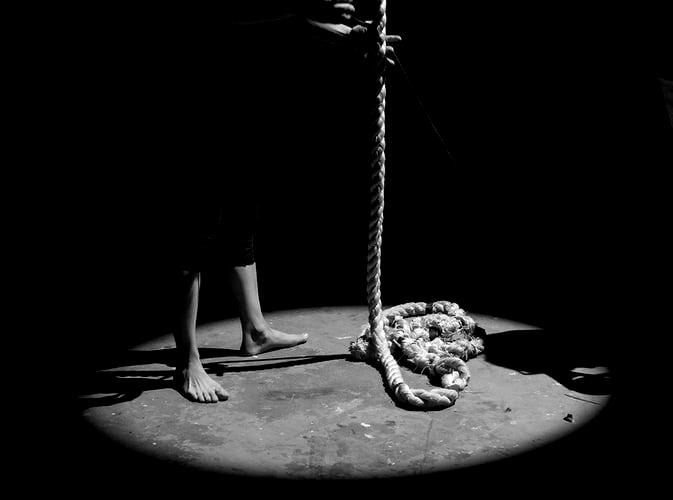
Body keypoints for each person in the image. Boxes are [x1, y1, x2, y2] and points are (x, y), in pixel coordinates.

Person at [170, 1, 400, 403]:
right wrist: (314, 18)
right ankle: (188, 363)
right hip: (198, 92)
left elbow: (292, 25)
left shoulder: (291, 17)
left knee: (242, 207)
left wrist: (347, 35)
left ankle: (255, 331)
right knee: (197, 230)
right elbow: (226, 20)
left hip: (240, 93)